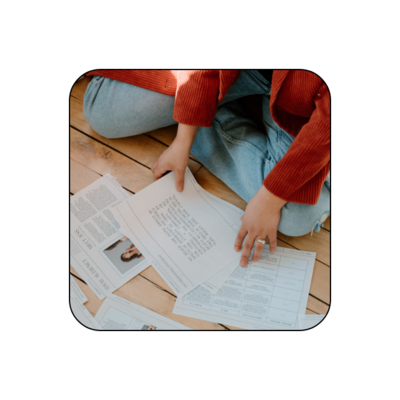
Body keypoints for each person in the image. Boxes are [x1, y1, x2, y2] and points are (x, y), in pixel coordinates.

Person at [83, 70, 330, 268]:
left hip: (302, 105)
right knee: (102, 113)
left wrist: (268, 199)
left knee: (299, 216)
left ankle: (206, 110)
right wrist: (183, 139)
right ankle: (202, 107)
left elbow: (324, 129)